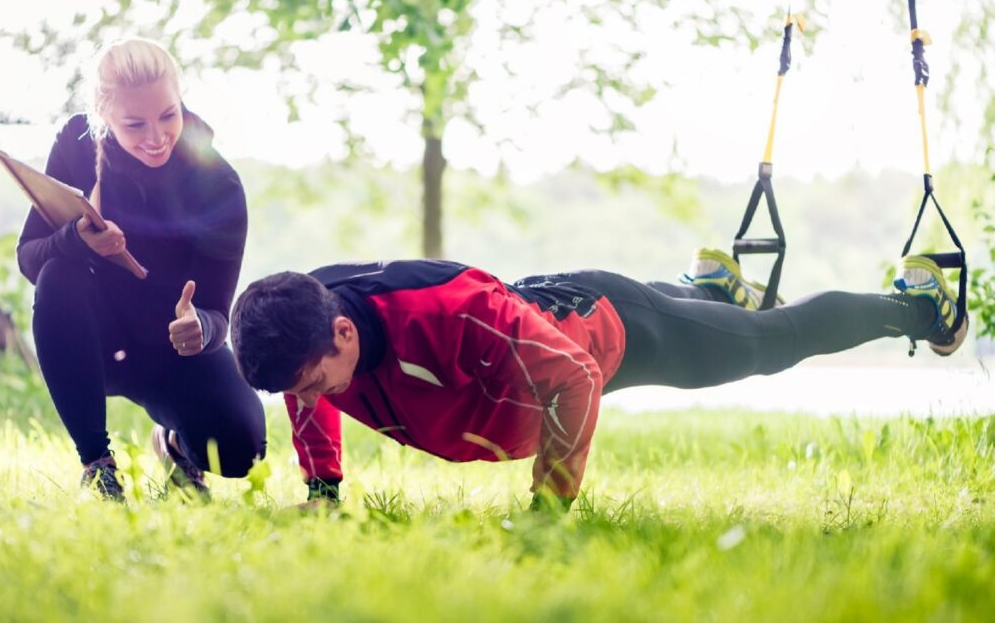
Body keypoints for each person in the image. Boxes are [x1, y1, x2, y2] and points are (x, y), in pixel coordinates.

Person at [229, 249, 968, 512]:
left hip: (611, 333)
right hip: (550, 306)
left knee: (769, 343)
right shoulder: (311, 327)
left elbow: (575, 378)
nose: (310, 402)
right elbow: (306, 395)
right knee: (694, 314)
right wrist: (323, 493)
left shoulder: (449, 314)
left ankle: (918, 305)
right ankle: (711, 285)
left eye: (310, 382)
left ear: (344, 333)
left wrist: (550, 510)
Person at [16, 38, 266, 501]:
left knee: (242, 448)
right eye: (134, 124)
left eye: (168, 115)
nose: (156, 137)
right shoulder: (76, 146)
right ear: (103, 116)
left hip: (174, 349)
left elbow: (216, 310)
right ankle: (98, 464)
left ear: (181, 100)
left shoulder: (217, 181)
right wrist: (76, 239)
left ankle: (176, 447)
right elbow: (29, 256)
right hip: (95, 341)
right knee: (59, 274)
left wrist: (201, 328)